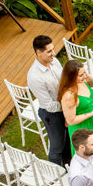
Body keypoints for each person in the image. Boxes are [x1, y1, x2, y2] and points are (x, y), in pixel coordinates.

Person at [27, 35, 70, 167]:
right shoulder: (35, 77)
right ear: (38, 52)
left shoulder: (54, 61)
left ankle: (69, 164)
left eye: (53, 49)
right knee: (57, 146)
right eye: (49, 51)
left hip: (64, 106)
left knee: (68, 140)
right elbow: (49, 105)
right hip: (52, 114)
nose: (54, 53)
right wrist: (68, 106)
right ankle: (57, 173)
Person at [58, 60, 93, 161]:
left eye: (84, 72)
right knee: (91, 154)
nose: (84, 76)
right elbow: (71, 121)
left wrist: (88, 76)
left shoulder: (83, 81)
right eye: (80, 75)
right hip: (82, 128)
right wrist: (92, 113)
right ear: (71, 77)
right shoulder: (69, 95)